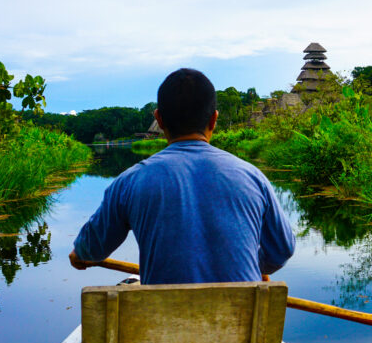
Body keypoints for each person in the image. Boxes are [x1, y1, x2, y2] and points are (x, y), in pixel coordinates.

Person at [68, 68, 295, 283]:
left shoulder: (129, 182)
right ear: (214, 120)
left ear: (160, 120)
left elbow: (92, 248)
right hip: (239, 322)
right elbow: (282, 250)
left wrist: (79, 255)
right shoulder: (253, 178)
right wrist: (253, 265)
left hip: (162, 322)